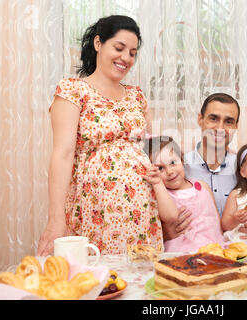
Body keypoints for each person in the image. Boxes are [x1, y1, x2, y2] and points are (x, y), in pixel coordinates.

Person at [37, 15, 167, 256]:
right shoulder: (73, 90)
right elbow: (63, 155)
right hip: (94, 209)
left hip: (142, 211)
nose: (126, 58)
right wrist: (56, 219)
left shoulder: (137, 95)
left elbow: (151, 150)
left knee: (140, 282)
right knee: (97, 282)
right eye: (119, 48)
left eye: (132, 53)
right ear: (98, 43)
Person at [162, 93, 247, 243]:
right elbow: (152, 212)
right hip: (191, 255)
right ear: (200, 119)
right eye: (213, 119)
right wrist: (164, 233)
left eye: (229, 122)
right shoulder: (177, 168)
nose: (220, 128)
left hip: (239, 255)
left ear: (236, 126)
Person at [143, 136, 226, 252]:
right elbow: (170, 216)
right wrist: (157, 183)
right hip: (184, 253)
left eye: (173, 162)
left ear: (182, 160)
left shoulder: (202, 186)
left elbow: (216, 221)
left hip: (217, 249)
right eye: (160, 168)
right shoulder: (163, 195)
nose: (170, 172)